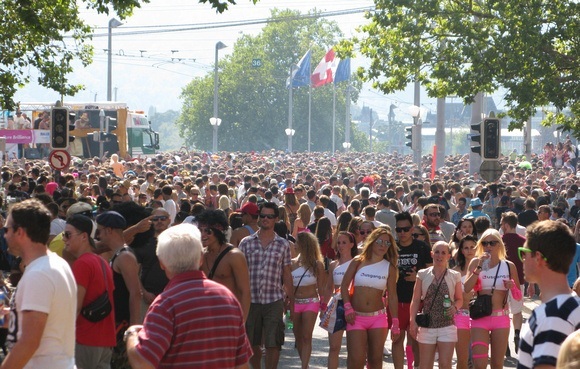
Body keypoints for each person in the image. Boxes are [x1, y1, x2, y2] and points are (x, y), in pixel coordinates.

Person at [125, 223, 253, 368]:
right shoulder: (228, 298)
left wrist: (131, 335)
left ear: (162, 263)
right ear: (200, 258)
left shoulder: (166, 303)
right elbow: (242, 364)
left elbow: (142, 362)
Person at [1, 199, 77, 368]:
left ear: (20, 232)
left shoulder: (38, 274)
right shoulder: (55, 264)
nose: (4, 235)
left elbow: (29, 342)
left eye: (6, 229)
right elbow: (48, 325)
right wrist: (12, 316)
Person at [517, 220, 580, 369]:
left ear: (538, 258)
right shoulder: (572, 305)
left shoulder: (553, 316)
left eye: (524, 253)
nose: (523, 260)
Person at [238, 202, 294, 369]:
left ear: (276, 219)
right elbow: (239, 273)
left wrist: (290, 298)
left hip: (274, 299)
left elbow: (286, 273)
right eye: (262, 215)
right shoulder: (246, 243)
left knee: (273, 343)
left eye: (270, 216)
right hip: (251, 300)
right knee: (253, 343)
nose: (265, 219)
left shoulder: (283, 244)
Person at [341, 227, 400, 369]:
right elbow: (344, 286)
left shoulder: (389, 267)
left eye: (387, 243)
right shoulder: (358, 261)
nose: (383, 246)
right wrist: (348, 307)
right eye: (380, 241)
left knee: (375, 360)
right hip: (356, 317)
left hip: (378, 318)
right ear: (372, 241)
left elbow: (392, 296)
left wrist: (396, 322)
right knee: (356, 360)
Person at [464, 229, 522, 369]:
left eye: (492, 243)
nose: (488, 246)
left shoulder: (508, 266)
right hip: (480, 318)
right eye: (485, 243)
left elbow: (518, 296)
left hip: (500, 319)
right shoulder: (475, 263)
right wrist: (478, 268)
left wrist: (512, 287)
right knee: (479, 365)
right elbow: (466, 288)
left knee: (497, 364)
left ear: (499, 245)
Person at [64, 214, 116, 369]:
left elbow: (75, 307)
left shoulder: (83, 264)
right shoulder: (101, 261)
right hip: (105, 340)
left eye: (68, 234)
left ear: (84, 236)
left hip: (86, 338)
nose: (64, 239)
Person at [410, 241, 463, 369]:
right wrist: (412, 321)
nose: (440, 256)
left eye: (443, 253)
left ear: (448, 256)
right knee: (425, 365)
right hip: (427, 325)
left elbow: (459, 299)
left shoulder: (455, 275)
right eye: (437, 252)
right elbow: (416, 299)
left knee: (445, 365)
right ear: (432, 254)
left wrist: (454, 307)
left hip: (447, 326)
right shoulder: (422, 274)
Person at [392, 211, 433, 369]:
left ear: (412, 229)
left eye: (406, 229)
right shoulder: (392, 248)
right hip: (397, 299)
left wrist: (418, 277)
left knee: (416, 339)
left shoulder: (422, 247)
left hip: (417, 301)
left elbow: (432, 274)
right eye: (399, 230)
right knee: (397, 338)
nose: (402, 233)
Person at [197, 209, 251, 321]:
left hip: (229, 316)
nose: (203, 235)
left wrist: (242, 323)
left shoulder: (234, 256)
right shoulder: (200, 255)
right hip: (206, 317)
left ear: (218, 231)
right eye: (200, 230)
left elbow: (245, 292)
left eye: (208, 231)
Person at [291, 232, 325, 369]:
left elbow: (321, 288)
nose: (294, 244)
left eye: (297, 242)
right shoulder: (291, 263)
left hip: (311, 302)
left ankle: (304, 366)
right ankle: (305, 363)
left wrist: (323, 308)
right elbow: (286, 286)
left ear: (303, 245)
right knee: (296, 335)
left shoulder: (317, 265)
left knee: (306, 336)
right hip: (294, 304)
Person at [324, 231, 357, 369]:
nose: (341, 245)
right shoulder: (333, 265)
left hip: (354, 304)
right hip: (337, 306)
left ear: (351, 244)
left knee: (353, 349)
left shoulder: (357, 263)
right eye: (338, 242)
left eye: (344, 242)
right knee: (334, 347)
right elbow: (328, 287)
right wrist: (323, 306)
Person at [499, 211, 526, 353]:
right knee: (517, 311)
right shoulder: (523, 241)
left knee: (503, 312)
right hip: (519, 280)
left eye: (502, 224)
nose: (501, 226)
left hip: (500, 281)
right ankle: (516, 334)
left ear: (507, 225)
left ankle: (505, 343)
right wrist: (531, 284)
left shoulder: (499, 241)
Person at [452, 235, 478, 369]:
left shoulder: (484, 268)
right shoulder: (455, 271)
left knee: (477, 361)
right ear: (461, 250)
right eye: (466, 248)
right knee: (462, 360)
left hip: (480, 315)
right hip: (461, 315)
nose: (470, 250)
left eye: (472, 247)